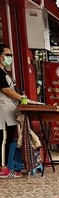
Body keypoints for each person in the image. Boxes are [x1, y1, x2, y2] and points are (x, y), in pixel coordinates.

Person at [0, 44, 22, 178]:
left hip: (10, 112)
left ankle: (6, 166)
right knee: (3, 139)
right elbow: (6, 90)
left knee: (8, 140)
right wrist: (22, 98)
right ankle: (2, 168)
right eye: (8, 55)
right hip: (2, 111)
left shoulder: (5, 72)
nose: (10, 58)